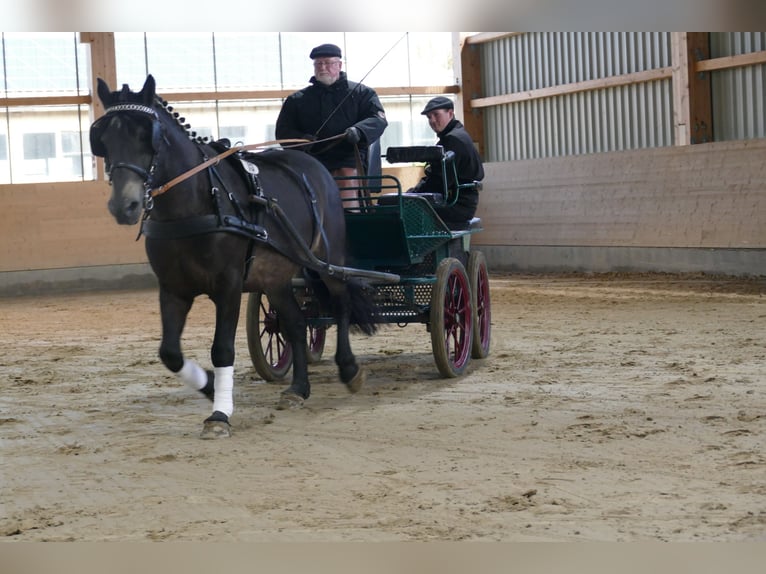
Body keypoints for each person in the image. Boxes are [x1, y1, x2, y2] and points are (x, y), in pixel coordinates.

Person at [275, 43, 388, 209]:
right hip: (311, 159)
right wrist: (302, 140)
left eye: (328, 63)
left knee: (345, 175)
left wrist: (358, 130)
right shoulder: (297, 100)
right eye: (318, 64)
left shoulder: (362, 93)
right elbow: (283, 131)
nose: (323, 68)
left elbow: (378, 119)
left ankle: (350, 215)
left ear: (339, 65)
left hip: (348, 157)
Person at [409, 96, 484, 225]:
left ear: (450, 113)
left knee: (405, 213)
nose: (432, 120)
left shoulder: (452, 140)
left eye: (436, 115)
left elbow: (439, 182)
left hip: (455, 204)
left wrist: (411, 196)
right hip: (462, 201)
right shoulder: (457, 135)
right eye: (429, 117)